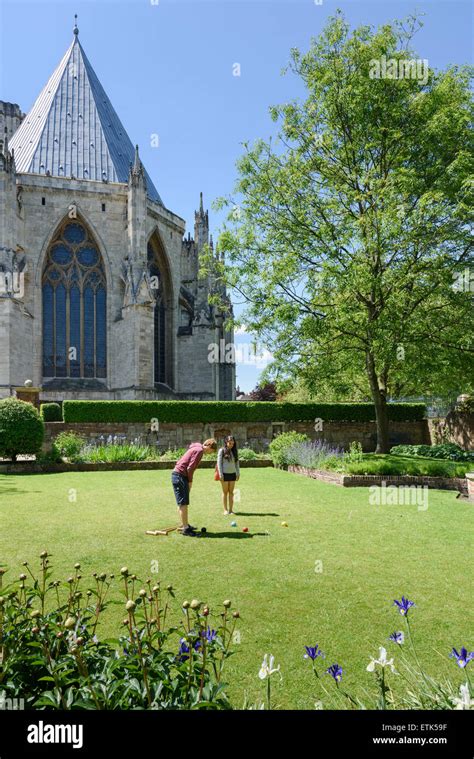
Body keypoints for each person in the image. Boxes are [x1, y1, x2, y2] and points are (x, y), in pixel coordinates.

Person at [172, 439, 217, 536]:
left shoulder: (196, 448)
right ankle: (185, 529)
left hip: (179, 475)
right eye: (211, 451)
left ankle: (184, 524)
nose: (210, 453)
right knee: (183, 503)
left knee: (182, 502)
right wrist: (190, 481)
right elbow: (190, 468)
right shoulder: (199, 451)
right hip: (180, 476)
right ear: (209, 446)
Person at [217, 435, 240, 515]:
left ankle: (231, 510)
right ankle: (225, 510)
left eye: (232, 443)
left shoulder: (235, 451)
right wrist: (220, 474)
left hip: (233, 474)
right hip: (224, 474)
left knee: (231, 492)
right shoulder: (221, 450)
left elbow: (237, 463)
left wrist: (238, 473)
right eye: (229, 443)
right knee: (225, 492)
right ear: (226, 442)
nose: (231, 445)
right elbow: (219, 463)